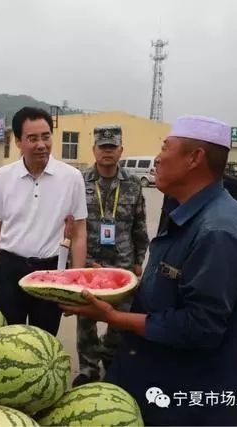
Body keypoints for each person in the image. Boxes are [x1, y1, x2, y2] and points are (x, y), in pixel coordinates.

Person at [61, 116, 237, 425]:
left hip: (186, 403)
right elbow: (166, 293)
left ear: (195, 158)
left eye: (165, 147)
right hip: (152, 378)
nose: (157, 158)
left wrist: (113, 318)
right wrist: (113, 287)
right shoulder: (188, 212)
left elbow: (200, 327)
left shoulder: (219, 230)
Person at [0, 106, 87, 336]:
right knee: (6, 339)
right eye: (32, 138)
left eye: (46, 137)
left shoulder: (72, 177)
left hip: (51, 271)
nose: (41, 144)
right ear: (18, 141)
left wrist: (75, 284)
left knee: (44, 340)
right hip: (9, 270)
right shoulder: (2, 178)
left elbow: (78, 234)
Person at [75, 125, 149, 386]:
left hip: (123, 263)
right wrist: (79, 263)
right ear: (94, 150)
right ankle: (87, 368)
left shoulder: (132, 184)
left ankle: (111, 357)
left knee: (120, 318)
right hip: (90, 262)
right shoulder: (79, 181)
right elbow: (71, 224)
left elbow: (140, 224)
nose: (107, 152)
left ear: (121, 150)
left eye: (112, 148)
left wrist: (139, 260)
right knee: (86, 319)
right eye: (102, 147)